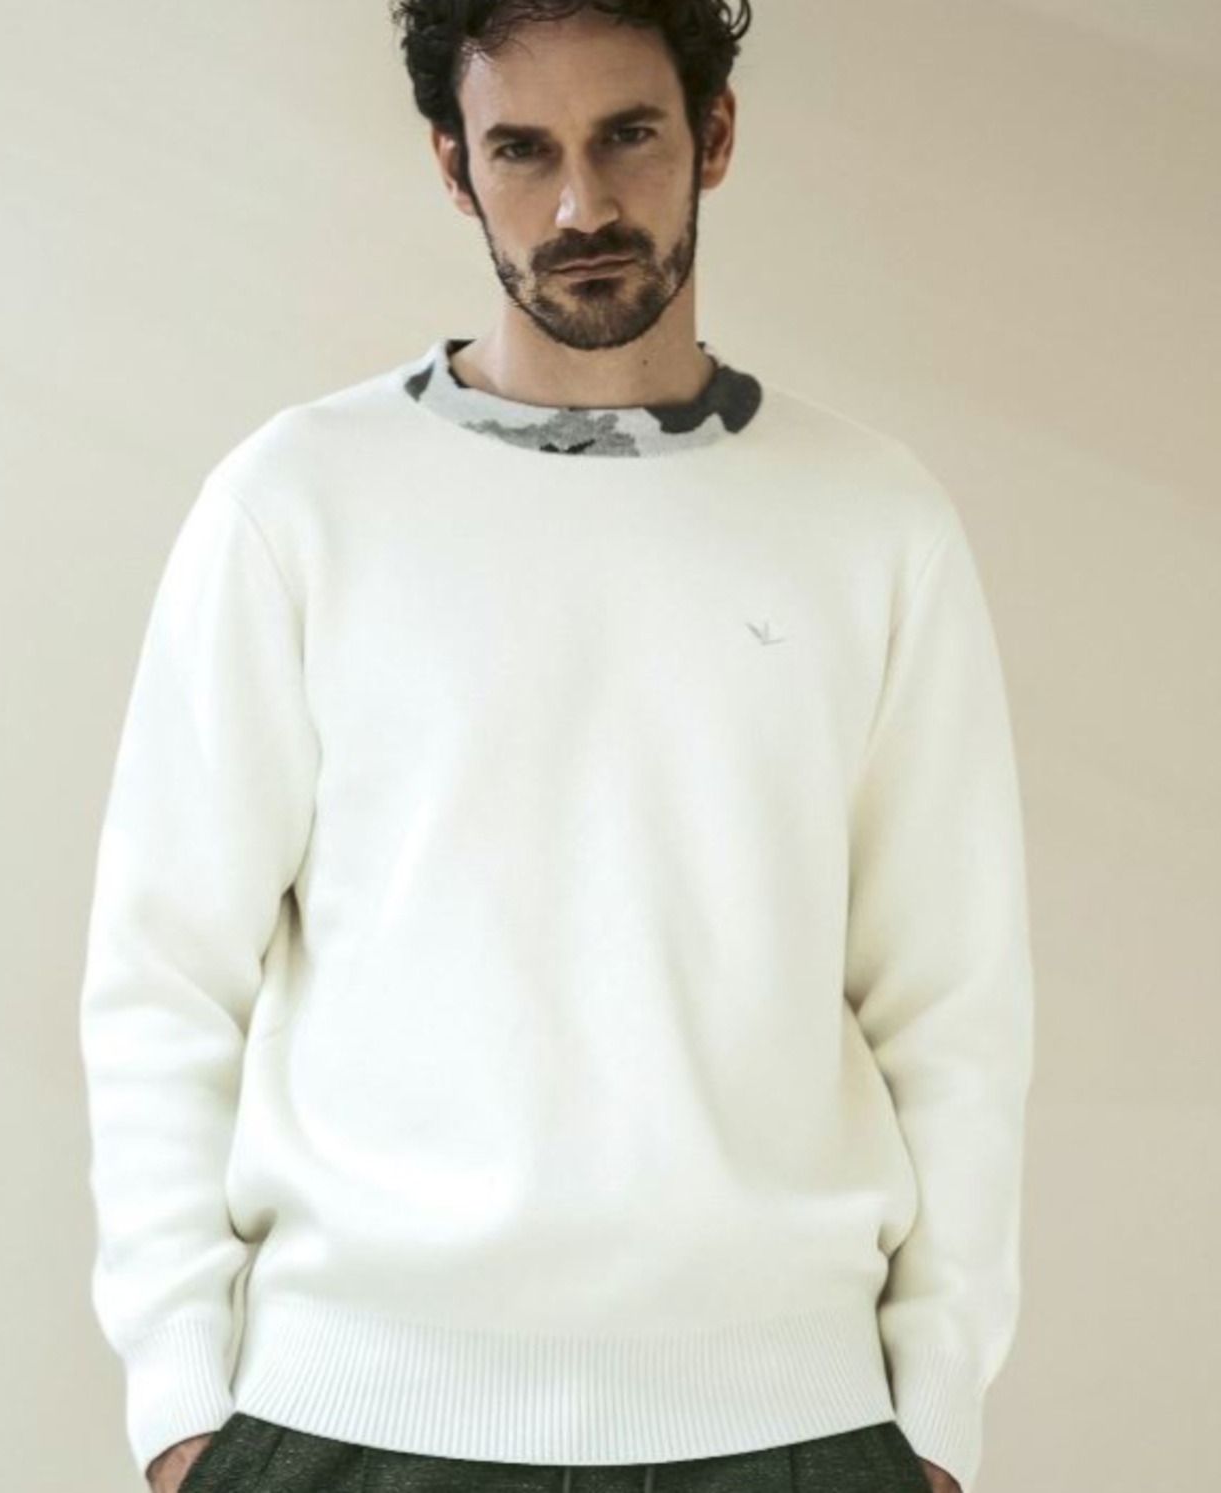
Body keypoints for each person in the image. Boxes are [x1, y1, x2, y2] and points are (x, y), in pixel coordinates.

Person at [77, 4, 1035, 1492]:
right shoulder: (295, 505)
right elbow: (164, 973)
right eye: (523, 149)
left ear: (715, 134)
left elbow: (954, 1004)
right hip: (353, 1422)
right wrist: (179, 1402)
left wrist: (938, 1412)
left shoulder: (873, 520)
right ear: (453, 165)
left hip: (789, 1425)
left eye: (628, 135)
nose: (582, 205)